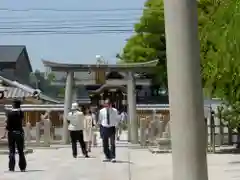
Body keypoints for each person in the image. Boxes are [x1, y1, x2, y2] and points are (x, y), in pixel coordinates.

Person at [1, 99, 26, 172]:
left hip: (11, 134)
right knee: (21, 151)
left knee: (12, 151)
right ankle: (22, 167)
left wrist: (4, 134)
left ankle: (11, 167)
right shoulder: (20, 113)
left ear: (13, 105)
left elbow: (7, 126)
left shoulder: (10, 114)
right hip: (19, 133)